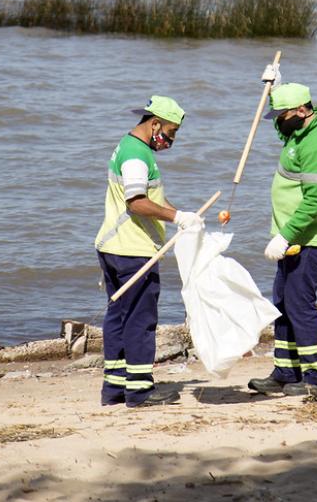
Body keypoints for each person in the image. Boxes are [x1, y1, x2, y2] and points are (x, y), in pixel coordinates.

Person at [94, 95, 203, 407]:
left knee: (118, 316)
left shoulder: (130, 147)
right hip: (132, 251)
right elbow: (138, 202)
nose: (171, 141)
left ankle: (114, 389)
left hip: (113, 247)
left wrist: (182, 216)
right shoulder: (136, 156)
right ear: (154, 123)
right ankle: (139, 391)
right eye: (170, 133)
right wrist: (176, 217)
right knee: (141, 320)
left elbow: (152, 197)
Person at [248, 70, 317, 399]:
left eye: (283, 115)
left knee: (300, 304)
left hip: (311, 237)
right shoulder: (298, 132)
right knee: (283, 303)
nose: (278, 122)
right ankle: (286, 371)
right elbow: (281, 128)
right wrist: (274, 90)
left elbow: (316, 200)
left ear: (303, 111)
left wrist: (285, 234)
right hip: (293, 238)